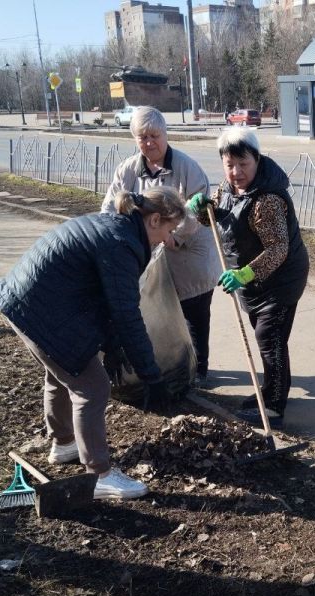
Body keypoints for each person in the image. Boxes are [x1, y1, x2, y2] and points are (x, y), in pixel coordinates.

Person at [0, 187, 187, 500]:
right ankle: (99, 475)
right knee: (92, 387)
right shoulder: (122, 244)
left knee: (61, 371)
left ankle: (64, 443)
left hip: (25, 303)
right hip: (40, 310)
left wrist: (113, 347)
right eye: (168, 230)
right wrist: (152, 376)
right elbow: (126, 314)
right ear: (154, 220)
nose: (167, 238)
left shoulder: (115, 227)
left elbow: (105, 300)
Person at [187, 128, 309, 428]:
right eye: (229, 164)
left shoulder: (266, 200)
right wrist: (202, 210)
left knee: (270, 337)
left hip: (281, 279)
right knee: (268, 337)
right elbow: (219, 217)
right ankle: (269, 391)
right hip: (254, 280)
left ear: (256, 159)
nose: (236, 171)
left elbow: (278, 248)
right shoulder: (229, 187)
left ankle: (275, 405)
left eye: (243, 164)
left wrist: (244, 273)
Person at [101, 105, 221, 387]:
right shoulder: (128, 170)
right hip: (148, 256)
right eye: (142, 137)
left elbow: (198, 210)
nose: (149, 142)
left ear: (166, 135)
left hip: (190, 254)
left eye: (154, 135)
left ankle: (199, 369)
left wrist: (174, 235)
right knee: (161, 316)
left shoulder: (187, 167)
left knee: (194, 314)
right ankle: (172, 367)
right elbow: (109, 209)